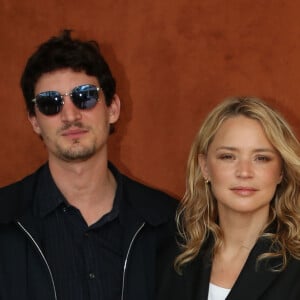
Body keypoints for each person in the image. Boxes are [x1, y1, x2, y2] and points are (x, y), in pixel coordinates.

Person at [0, 29, 177, 300]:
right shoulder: (4, 219)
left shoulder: (169, 222)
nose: (70, 115)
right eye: (50, 103)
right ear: (34, 120)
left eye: (85, 96)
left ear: (113, 108)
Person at [157, 96, 300, 300]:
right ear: (205, 167)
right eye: (228, 156)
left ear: (281, 172)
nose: (244, 172)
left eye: (261, 158)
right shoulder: (172, 256)